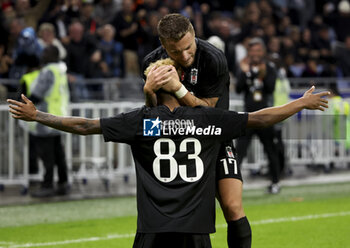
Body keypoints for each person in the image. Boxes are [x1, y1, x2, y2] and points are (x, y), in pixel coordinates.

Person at [8, 58, 329, 247]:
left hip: (152, 233)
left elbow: (83, 125)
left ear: (150, 89)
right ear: (178, 86)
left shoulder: (141, 122)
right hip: (196, 233)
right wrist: (300, 102)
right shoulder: (207, 120)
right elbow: (260, 117)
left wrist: (37, 115)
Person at [141, 13, 251, 247]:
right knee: (179, 215)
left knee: (232, 207)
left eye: (188, 47)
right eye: (175, 51)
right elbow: (154, 116)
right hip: (179, 147)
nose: (184, 55)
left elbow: (208, 113)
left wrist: (179, 90)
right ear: (163, 45)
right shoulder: (153, 63)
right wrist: (149, 92)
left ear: (194, 35)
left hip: (216, 138)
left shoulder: (213, 58)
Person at [21, 45, 70, 197]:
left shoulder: (48, 71)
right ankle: (63, 183)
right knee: (58, 152)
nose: (43, 54)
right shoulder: (61, 71)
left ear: (54, 55)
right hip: (60, 116)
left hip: (46, 118)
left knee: (47, 154)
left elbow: (37, 94)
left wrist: (24, 105)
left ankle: (47, 185)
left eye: (46, 52)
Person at [235, 37, 281, 194]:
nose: (255, 53)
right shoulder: (244, 68)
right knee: (239, 152)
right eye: (252, 50)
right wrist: (249, 74)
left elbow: (270, 88)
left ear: (263, 52)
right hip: (248, 117)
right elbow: (239, 88)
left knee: (270, 150)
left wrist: (255, 75)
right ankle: (234, 186)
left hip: (265, 117)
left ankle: (275, 182)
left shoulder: (270, 67)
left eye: (258, 50)